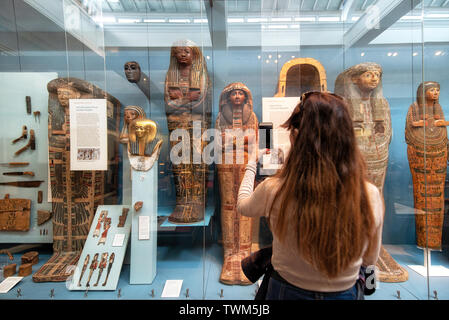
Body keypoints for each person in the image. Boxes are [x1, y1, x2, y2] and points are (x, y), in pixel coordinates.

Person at [237, 92, 384, 300]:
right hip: (344, 292)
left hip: (286, 290)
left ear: (296, 137)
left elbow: (243, 205)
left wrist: (252, 163)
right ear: (347, 137)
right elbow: (370, 258)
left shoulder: (275, 189)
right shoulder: (370, 194)